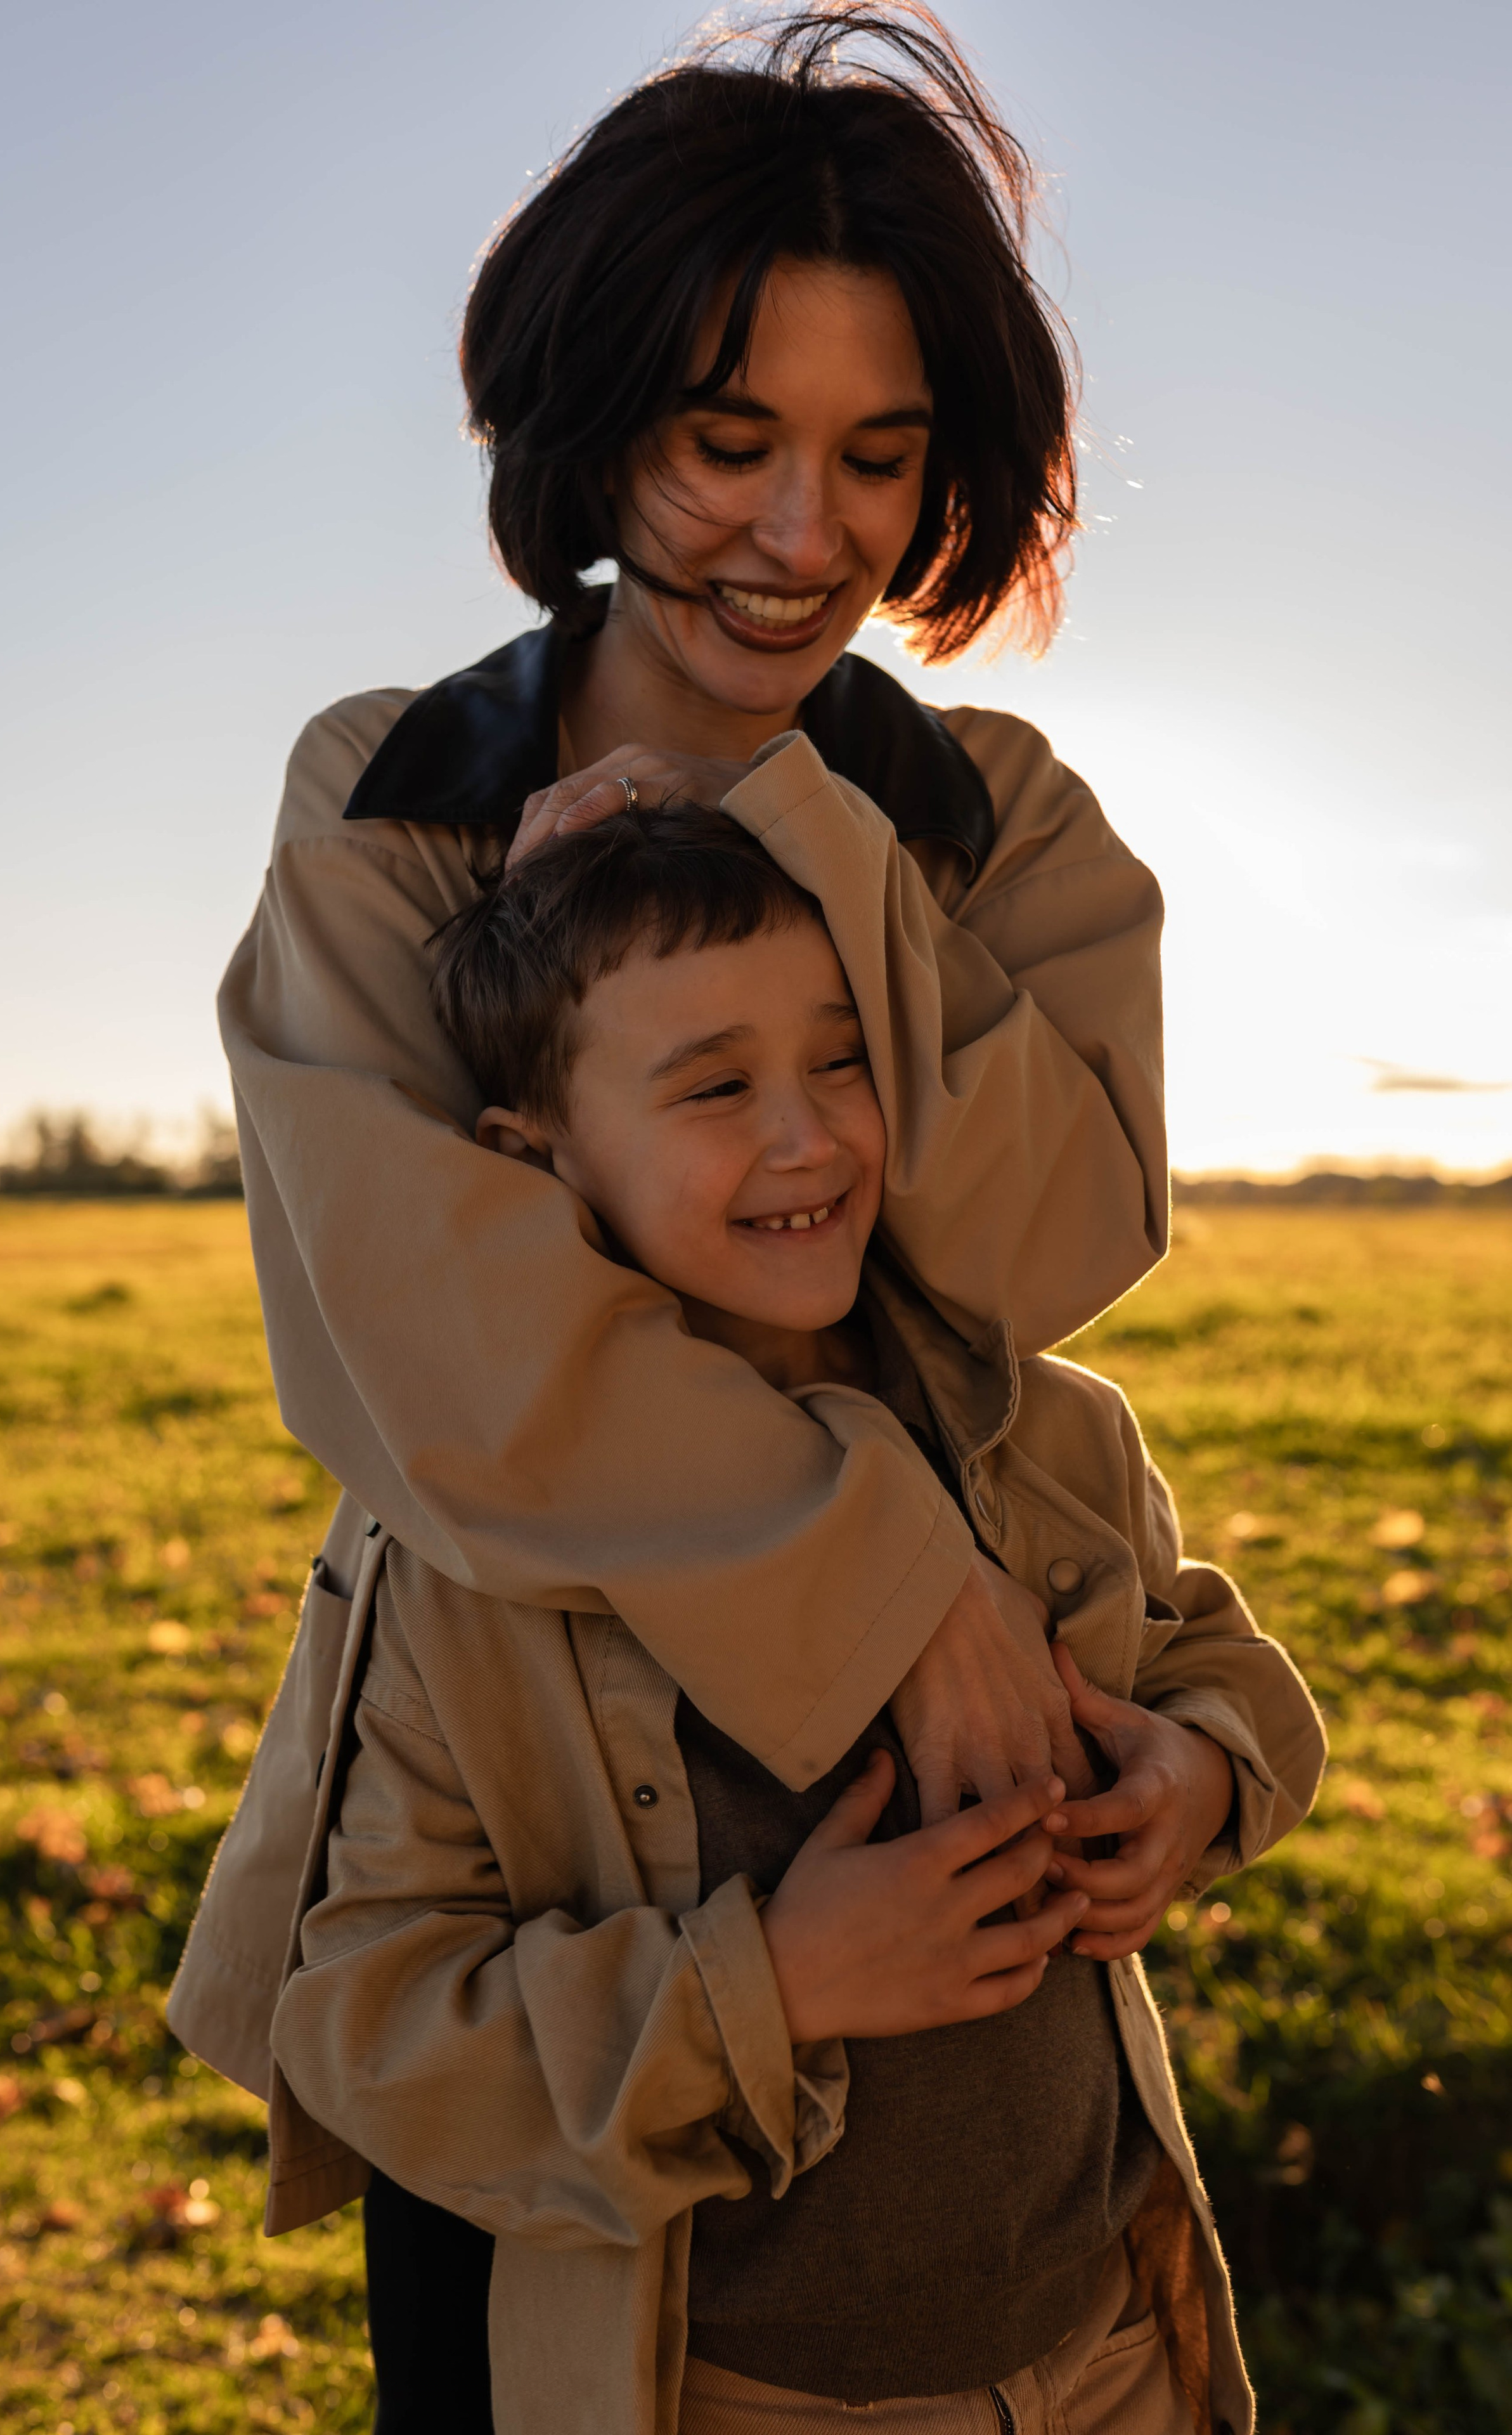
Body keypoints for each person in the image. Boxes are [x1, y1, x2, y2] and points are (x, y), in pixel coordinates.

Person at [169, 0, 1170, 2404]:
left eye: (877, 459)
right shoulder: (390, 803)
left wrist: (796, 803)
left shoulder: (1001, 819)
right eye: (731, 444)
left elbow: (1057, 1245)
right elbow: (438, 1358)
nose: (806, 539)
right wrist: (900, 1586)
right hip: (533, 1839)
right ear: (600, 419)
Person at [264, 796, 1326, 2435]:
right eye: (714, 1087)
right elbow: (370, 2030)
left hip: (1117, 2349)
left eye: (844, 1060)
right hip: (743, 2395)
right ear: (532, 1156)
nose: (810, 1138)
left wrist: (1194, 1779)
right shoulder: (473, 1569)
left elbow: (1216, 1664)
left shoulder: (1045, 1435)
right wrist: (772, 1984)